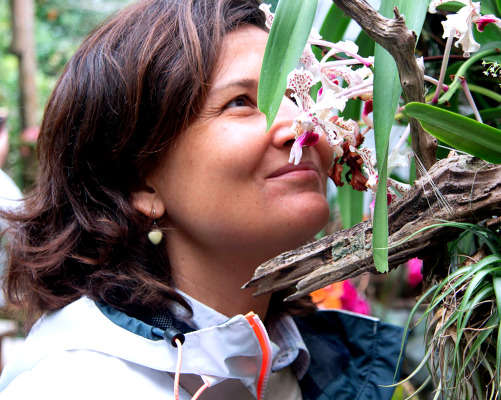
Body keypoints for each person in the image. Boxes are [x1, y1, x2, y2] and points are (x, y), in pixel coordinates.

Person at [0, 1, 404, 398]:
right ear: (142, 184)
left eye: (299, 98)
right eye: (242, 102)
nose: (303, 128)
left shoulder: (332, 368)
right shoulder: (76, 385)